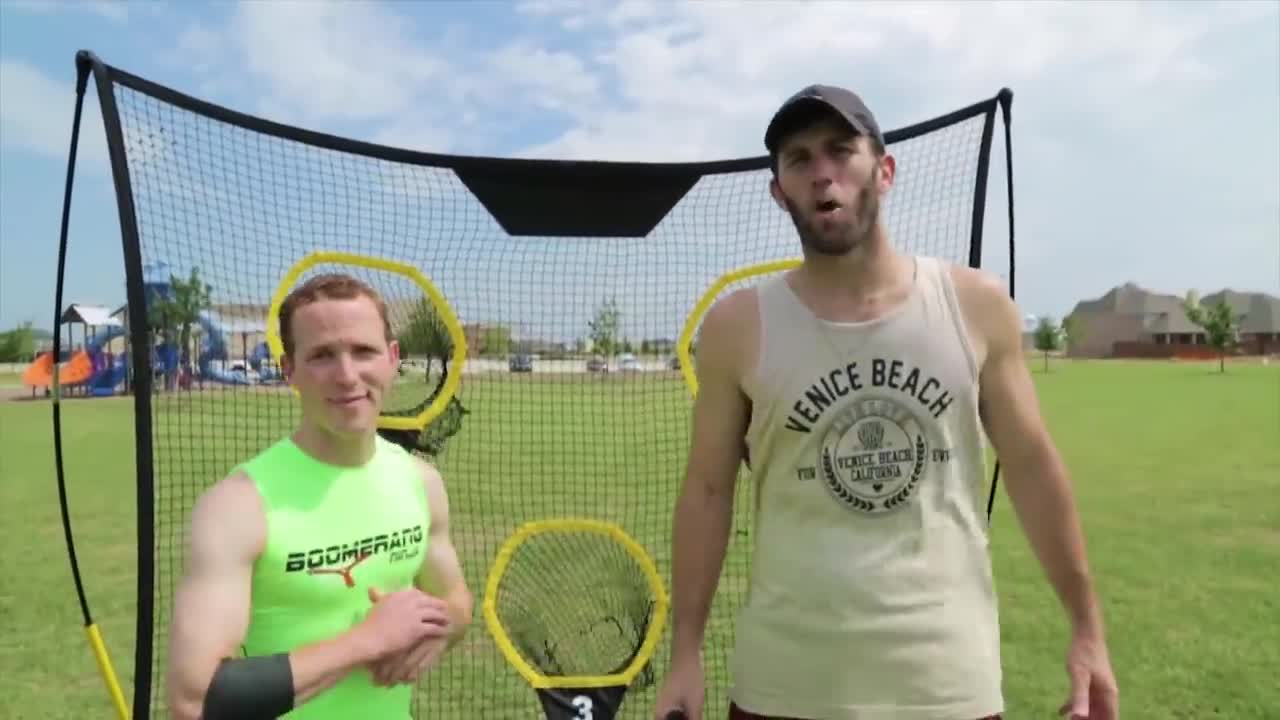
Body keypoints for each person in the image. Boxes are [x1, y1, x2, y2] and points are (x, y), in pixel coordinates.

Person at [654, 85, 1118, 720]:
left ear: (886, 170)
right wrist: (686, 653)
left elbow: (1032, 467)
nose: (823, 174)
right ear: (778, 190)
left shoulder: (976, 305)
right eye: (799, 159)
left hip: (947, 687)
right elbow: (708, 491)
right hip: (784, 686)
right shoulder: (739, 326)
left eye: (841, 151)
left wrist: (1087, 630)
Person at [165, 273, 473, 720]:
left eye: (363, 351)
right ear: (289, 370)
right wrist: (366, 642)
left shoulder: (419, 482)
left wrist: (437, 634)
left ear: (391, 359)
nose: (347, 376)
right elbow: (196, 701)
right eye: (322, 356)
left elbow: (456, 599)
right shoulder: (237, 506)